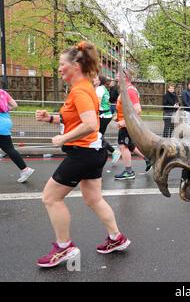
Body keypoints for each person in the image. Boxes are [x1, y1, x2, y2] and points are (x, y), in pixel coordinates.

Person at [35, 41, 130, 268]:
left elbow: (90, 124)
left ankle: (63, 247)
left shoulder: (80, 91)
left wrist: (63, 139)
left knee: (51, 198)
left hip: (83, 152)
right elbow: (75, 119)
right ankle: (116, 238)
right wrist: (50, 118)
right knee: (93, 198)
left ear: (75, 66)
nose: (59, 69)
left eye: (61, 64)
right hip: (93, 152)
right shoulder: (83, 88)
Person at [114, 70, 152, 180]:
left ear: (125, 78)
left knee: (123, 146)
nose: (116, 77)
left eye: (118, 76)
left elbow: (138, 109)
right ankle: (148, 159)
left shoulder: (130, 91)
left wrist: (124, 122)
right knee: (130, 145)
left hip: (127, 125)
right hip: (125, 124)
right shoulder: (125, 90)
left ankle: (129, 171)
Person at [0, 88, 35, 183]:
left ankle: (25, 170)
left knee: (8, 148)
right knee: (9, 148)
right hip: (5, 122)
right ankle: (25, 169)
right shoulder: (3, 92)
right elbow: (15, 105)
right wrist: (6, 109)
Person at [94, 75, 121, 164]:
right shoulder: (103, 88)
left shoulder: (99, 89)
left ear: (99, 81)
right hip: (106, 115)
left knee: (97, 136)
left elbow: (97, 104)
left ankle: (113, 151)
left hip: (103, 116)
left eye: (96, 78)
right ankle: (100, 155)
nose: (94, 79)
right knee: (99, 136)